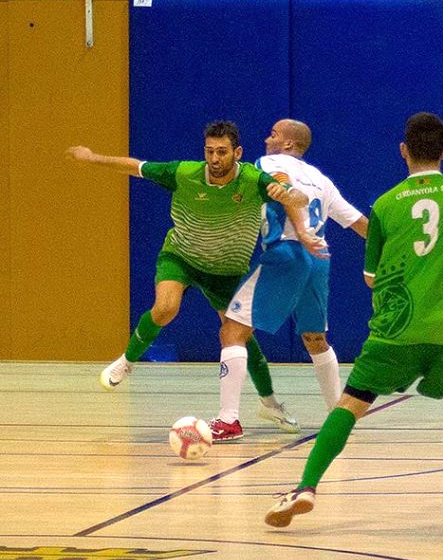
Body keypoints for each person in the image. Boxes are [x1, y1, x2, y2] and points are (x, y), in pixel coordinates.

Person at [264, 111, 443, 528]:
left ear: (403, 151)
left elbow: (371, 279)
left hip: (396, 329)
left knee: (349, 405)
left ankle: (305, 487)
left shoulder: (385, 205)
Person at [65, 121, 308, 432]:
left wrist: (288, 195)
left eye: (222, 152)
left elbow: (297, 199)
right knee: (166, 308)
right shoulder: (184, 173)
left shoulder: (254, 180)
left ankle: (270, 404)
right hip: (181, 257)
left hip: (225, 271)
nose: (215, 159)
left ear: (238, 152)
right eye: (210, 152)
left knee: (242, 340)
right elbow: (136, 166)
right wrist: (93, 157)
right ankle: (127, 360)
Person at [213, 119, 368, 442]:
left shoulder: (270, 163)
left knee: (233, 330)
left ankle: (228, 420)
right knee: (315, 338)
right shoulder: (321, 179)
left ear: (287, 144)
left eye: (273, 134)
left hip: (287, 253)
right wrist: (392, 248)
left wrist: (300, 231)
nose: (267, 139)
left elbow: (284, 190)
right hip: (319, 262)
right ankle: (337, 416)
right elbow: (357, 222)